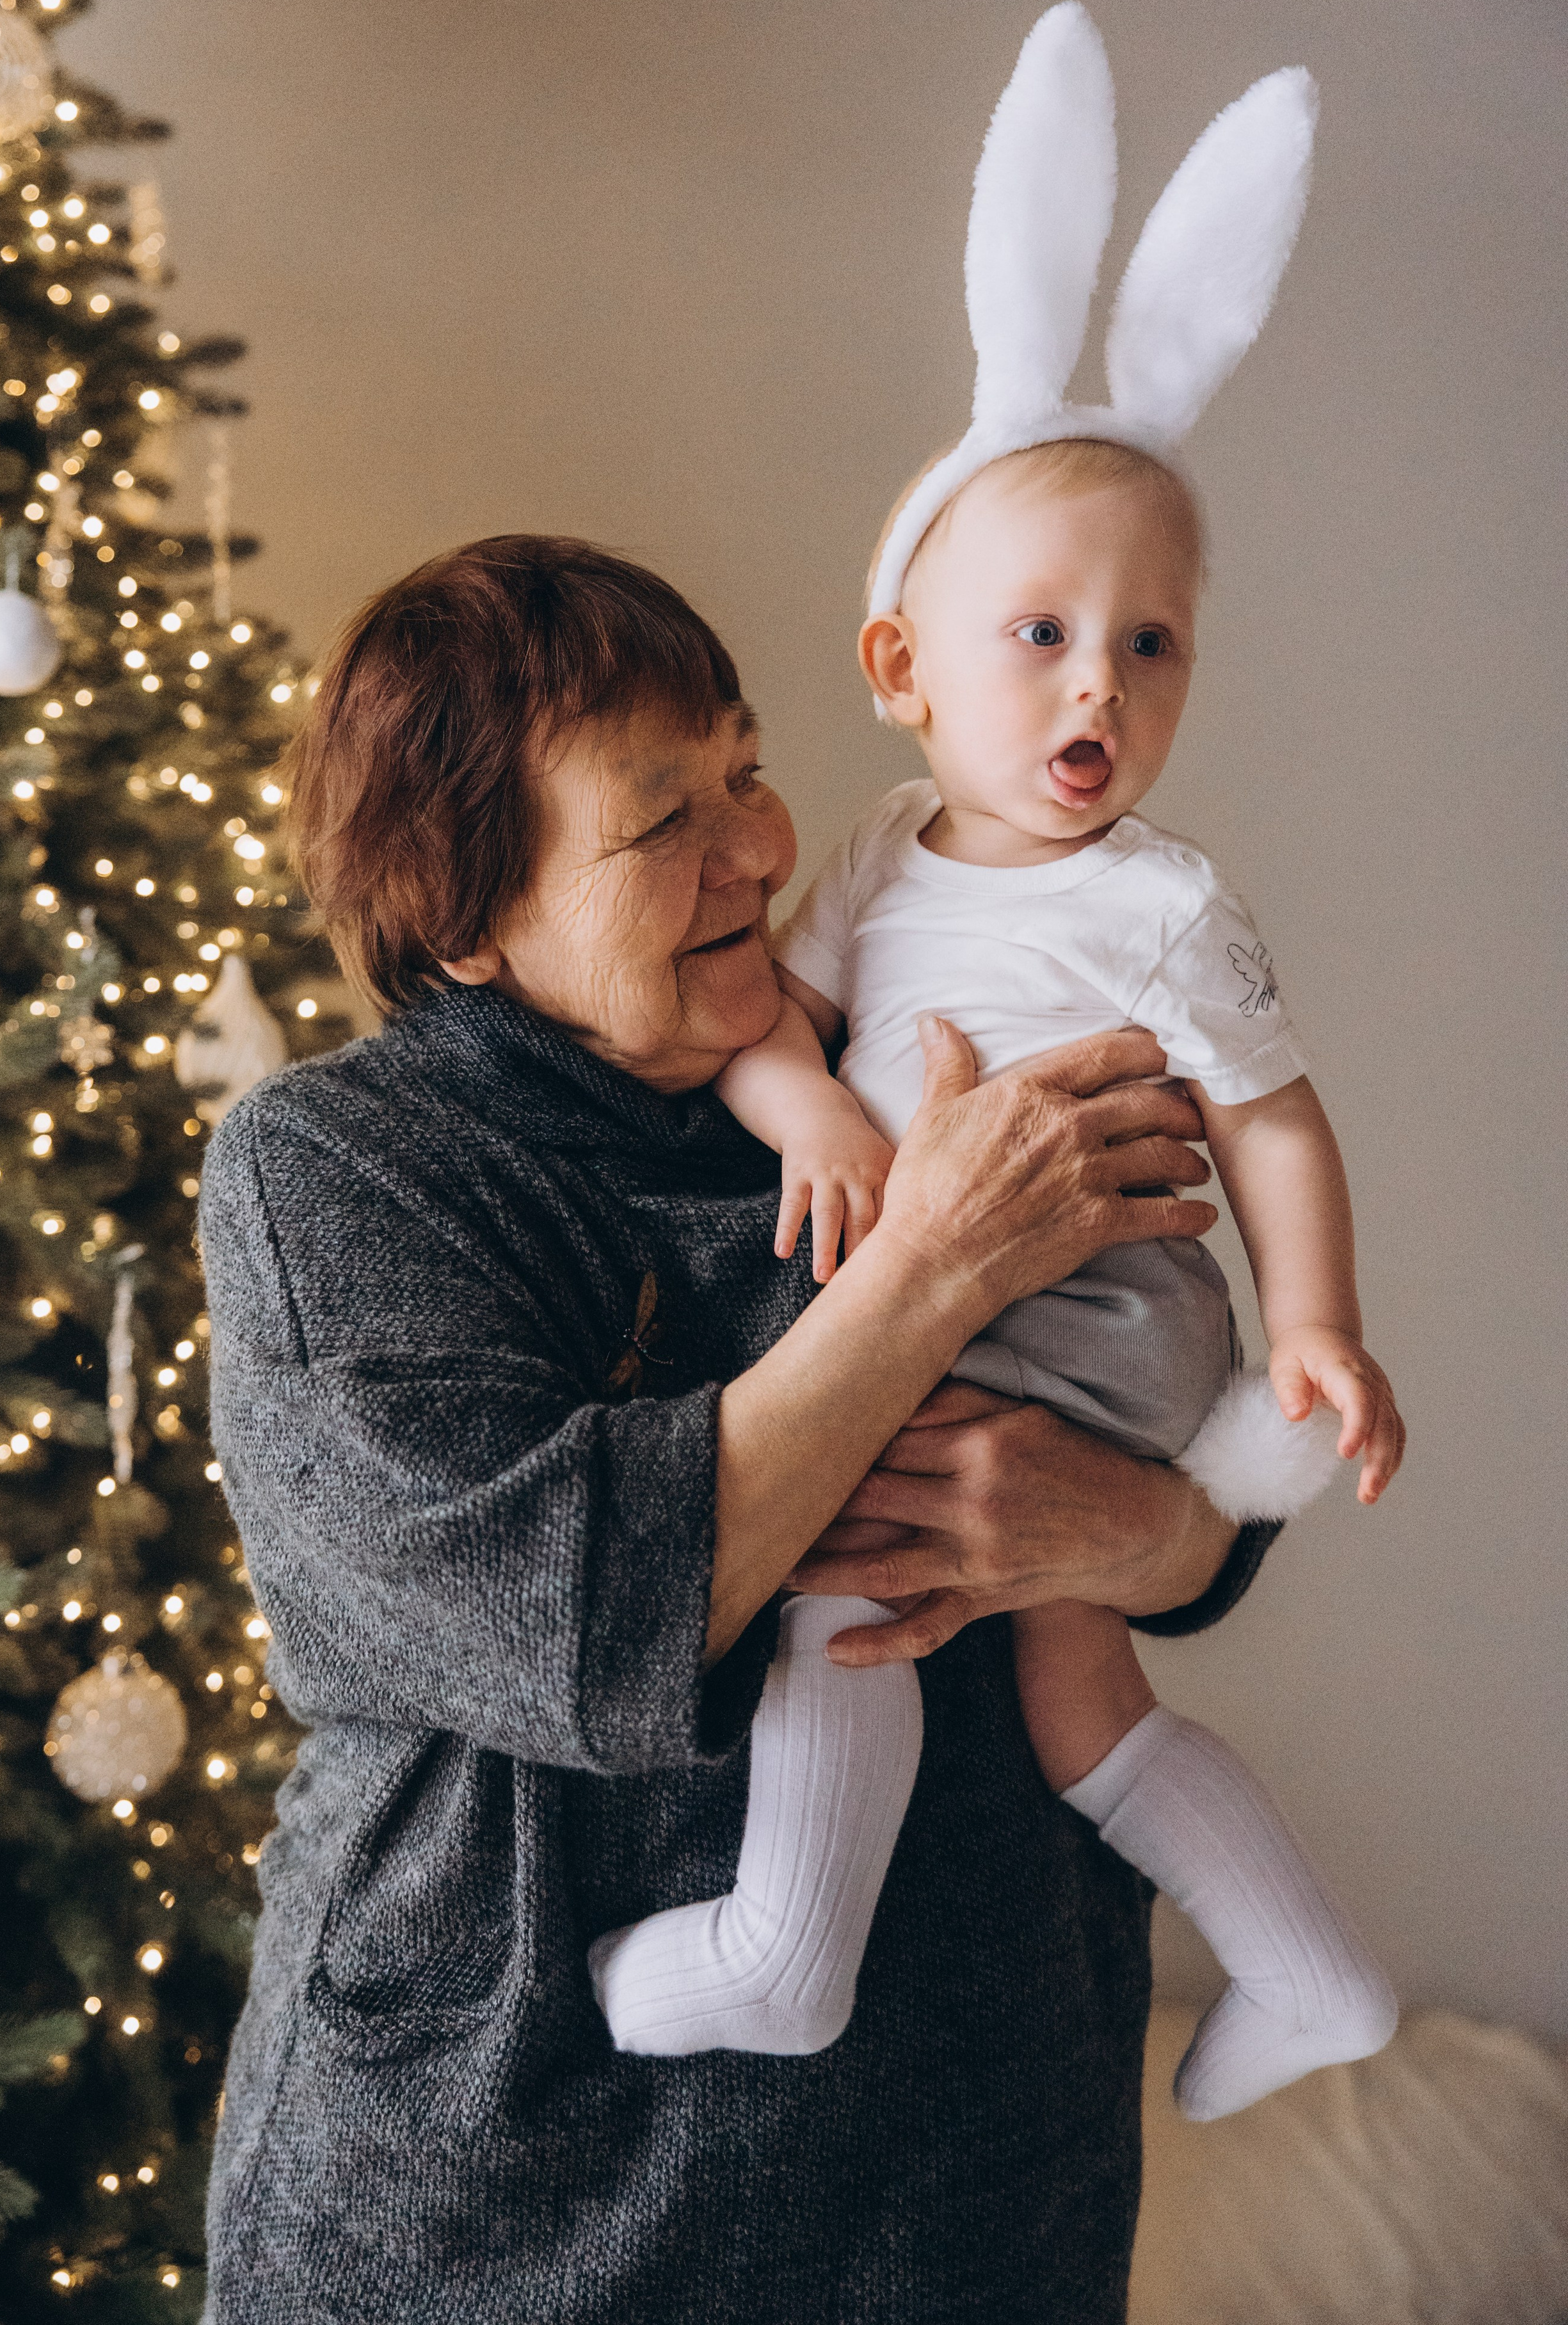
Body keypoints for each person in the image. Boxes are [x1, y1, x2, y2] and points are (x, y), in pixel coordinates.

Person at [199, 532, 1277, 2324]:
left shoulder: (896, 1051)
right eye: (660, 821)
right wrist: (928, 1266)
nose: (762, 849)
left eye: (747, 769)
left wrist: (1140, 1534)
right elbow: (557, 1615)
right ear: (463, 918)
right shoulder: (342, 1170)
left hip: (982, 2173)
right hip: (521, 2206)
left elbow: (1201, 1435)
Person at [592, 436, 1402, 2122]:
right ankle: (1309, 1971)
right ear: (904, 670)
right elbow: (770, 1032)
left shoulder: (1165, 901)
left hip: (1092, 1313)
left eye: (1150, 643)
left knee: (847, 1549)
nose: (1100, 680)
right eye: (1043, 633)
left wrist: (1317, 1324)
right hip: (1020, 1320)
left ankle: (782, 1951)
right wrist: (818, 1115)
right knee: (1073, 1679)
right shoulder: (885, 852)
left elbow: (1271, 1122)